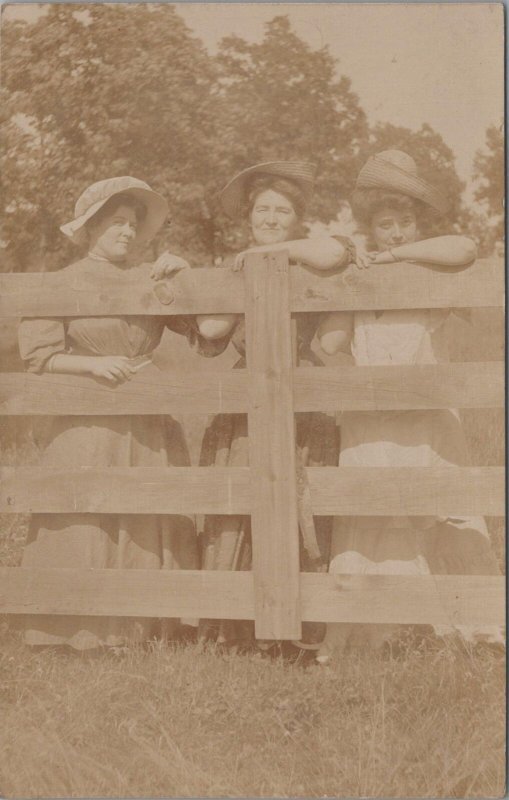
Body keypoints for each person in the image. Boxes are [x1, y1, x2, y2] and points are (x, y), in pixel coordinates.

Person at [316, 150, 501, 660]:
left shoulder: (428, 274)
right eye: (385, 226)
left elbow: (465, 246)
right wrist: (358, 391)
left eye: (405, 223)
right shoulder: (358, 279)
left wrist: (398, 258)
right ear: (369, 230)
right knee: (374, 515)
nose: (396, 233)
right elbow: (326, 347)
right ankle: (377, 630)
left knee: (437, 511)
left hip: (426, 420)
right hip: (371, 424)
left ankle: (458, 628)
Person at [18, 176, 198, 651]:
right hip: (87, 414)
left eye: (133, 225)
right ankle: (76, 630)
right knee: (86, 515)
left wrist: (183, 273)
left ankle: (141, 630)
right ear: (90, 228)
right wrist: (92, 364)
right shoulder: (60, 283)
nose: (126, 232)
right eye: (115, 223)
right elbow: (40, 356)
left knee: (145, 513)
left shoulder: (149, 278)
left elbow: (203, 325)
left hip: (146, 416)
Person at [191, 161, 354, 650]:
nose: (271, 217)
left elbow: (333, 250)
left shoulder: (310, 257)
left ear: (296, 221)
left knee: (304, 497)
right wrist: (235, 271)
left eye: (282, 211)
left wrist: (271, 252)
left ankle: (303, 626)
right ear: (249, 216)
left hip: (303, 394)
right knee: (241, 503)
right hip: (248, 398)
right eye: (263, 209)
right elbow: (212, 331)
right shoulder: (235, 264)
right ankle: (233, 626)